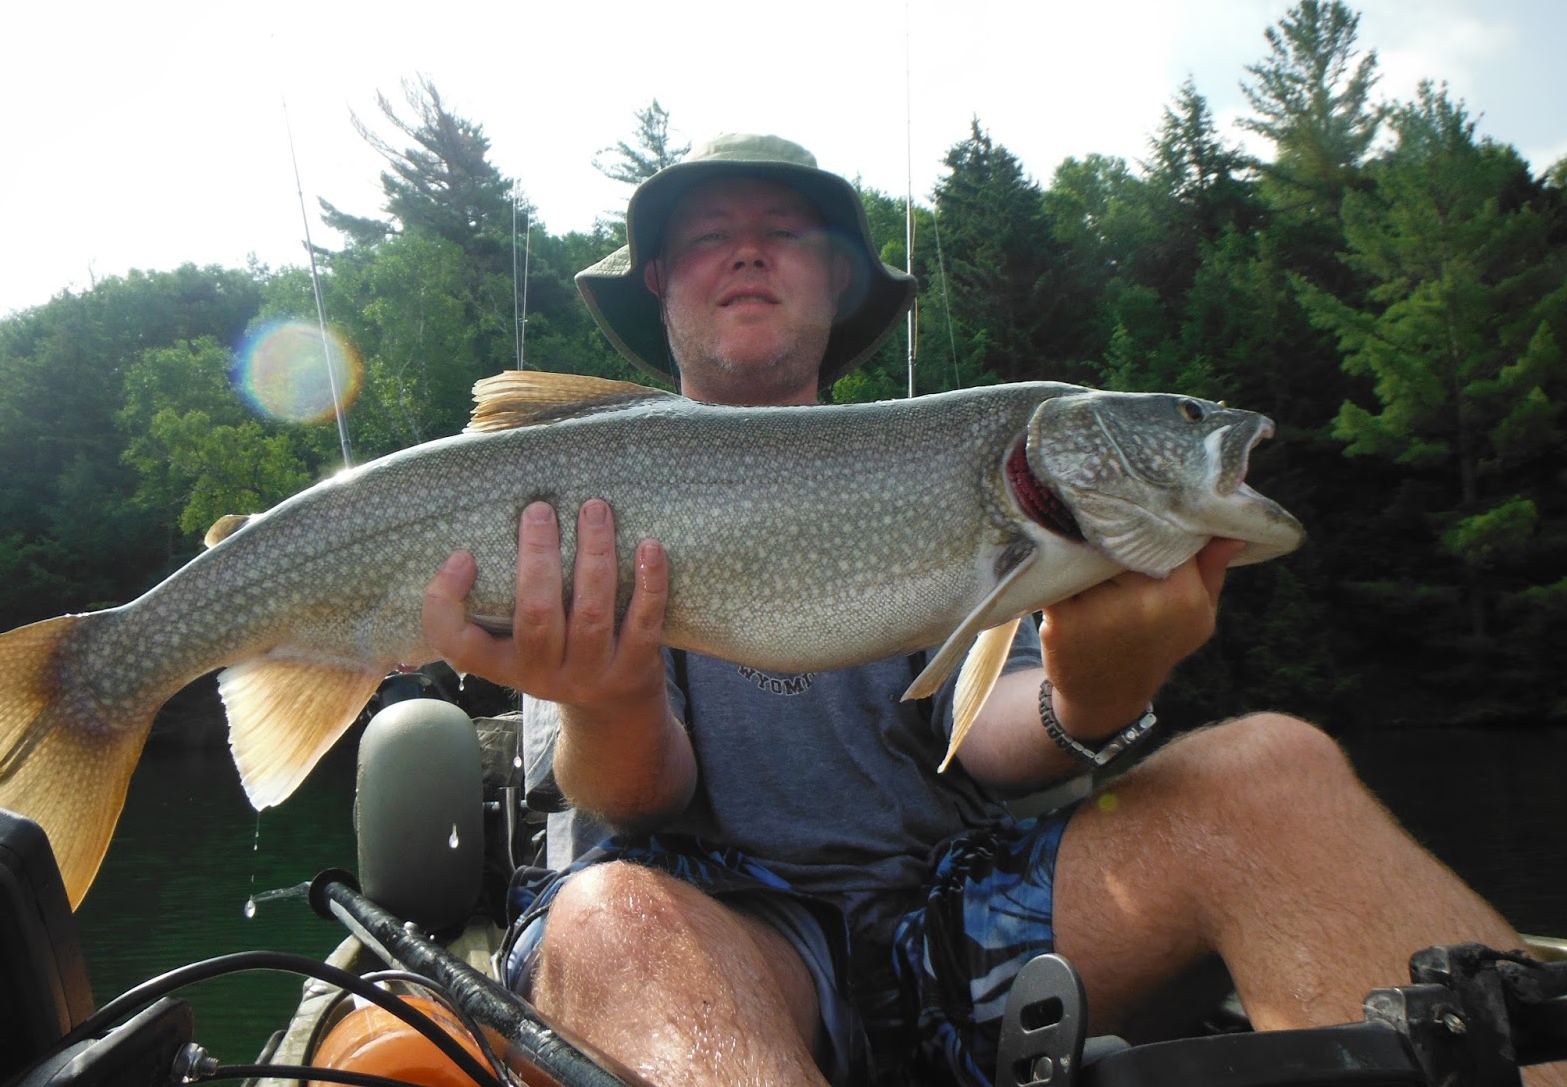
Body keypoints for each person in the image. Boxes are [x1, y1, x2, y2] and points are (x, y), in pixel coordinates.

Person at [421, 134, 1560, 1087]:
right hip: (714, 931)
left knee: (1278, 765)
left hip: (960, 924)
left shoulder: (965, 468)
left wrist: (1088, 694)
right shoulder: (576, 488)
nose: (750, 251)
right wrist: (611, 702)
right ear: (660, 283)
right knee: (609, 919)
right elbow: (630, 799)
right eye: (710, 235)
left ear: (840, 282)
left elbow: (988, 741)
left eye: (785, 230)